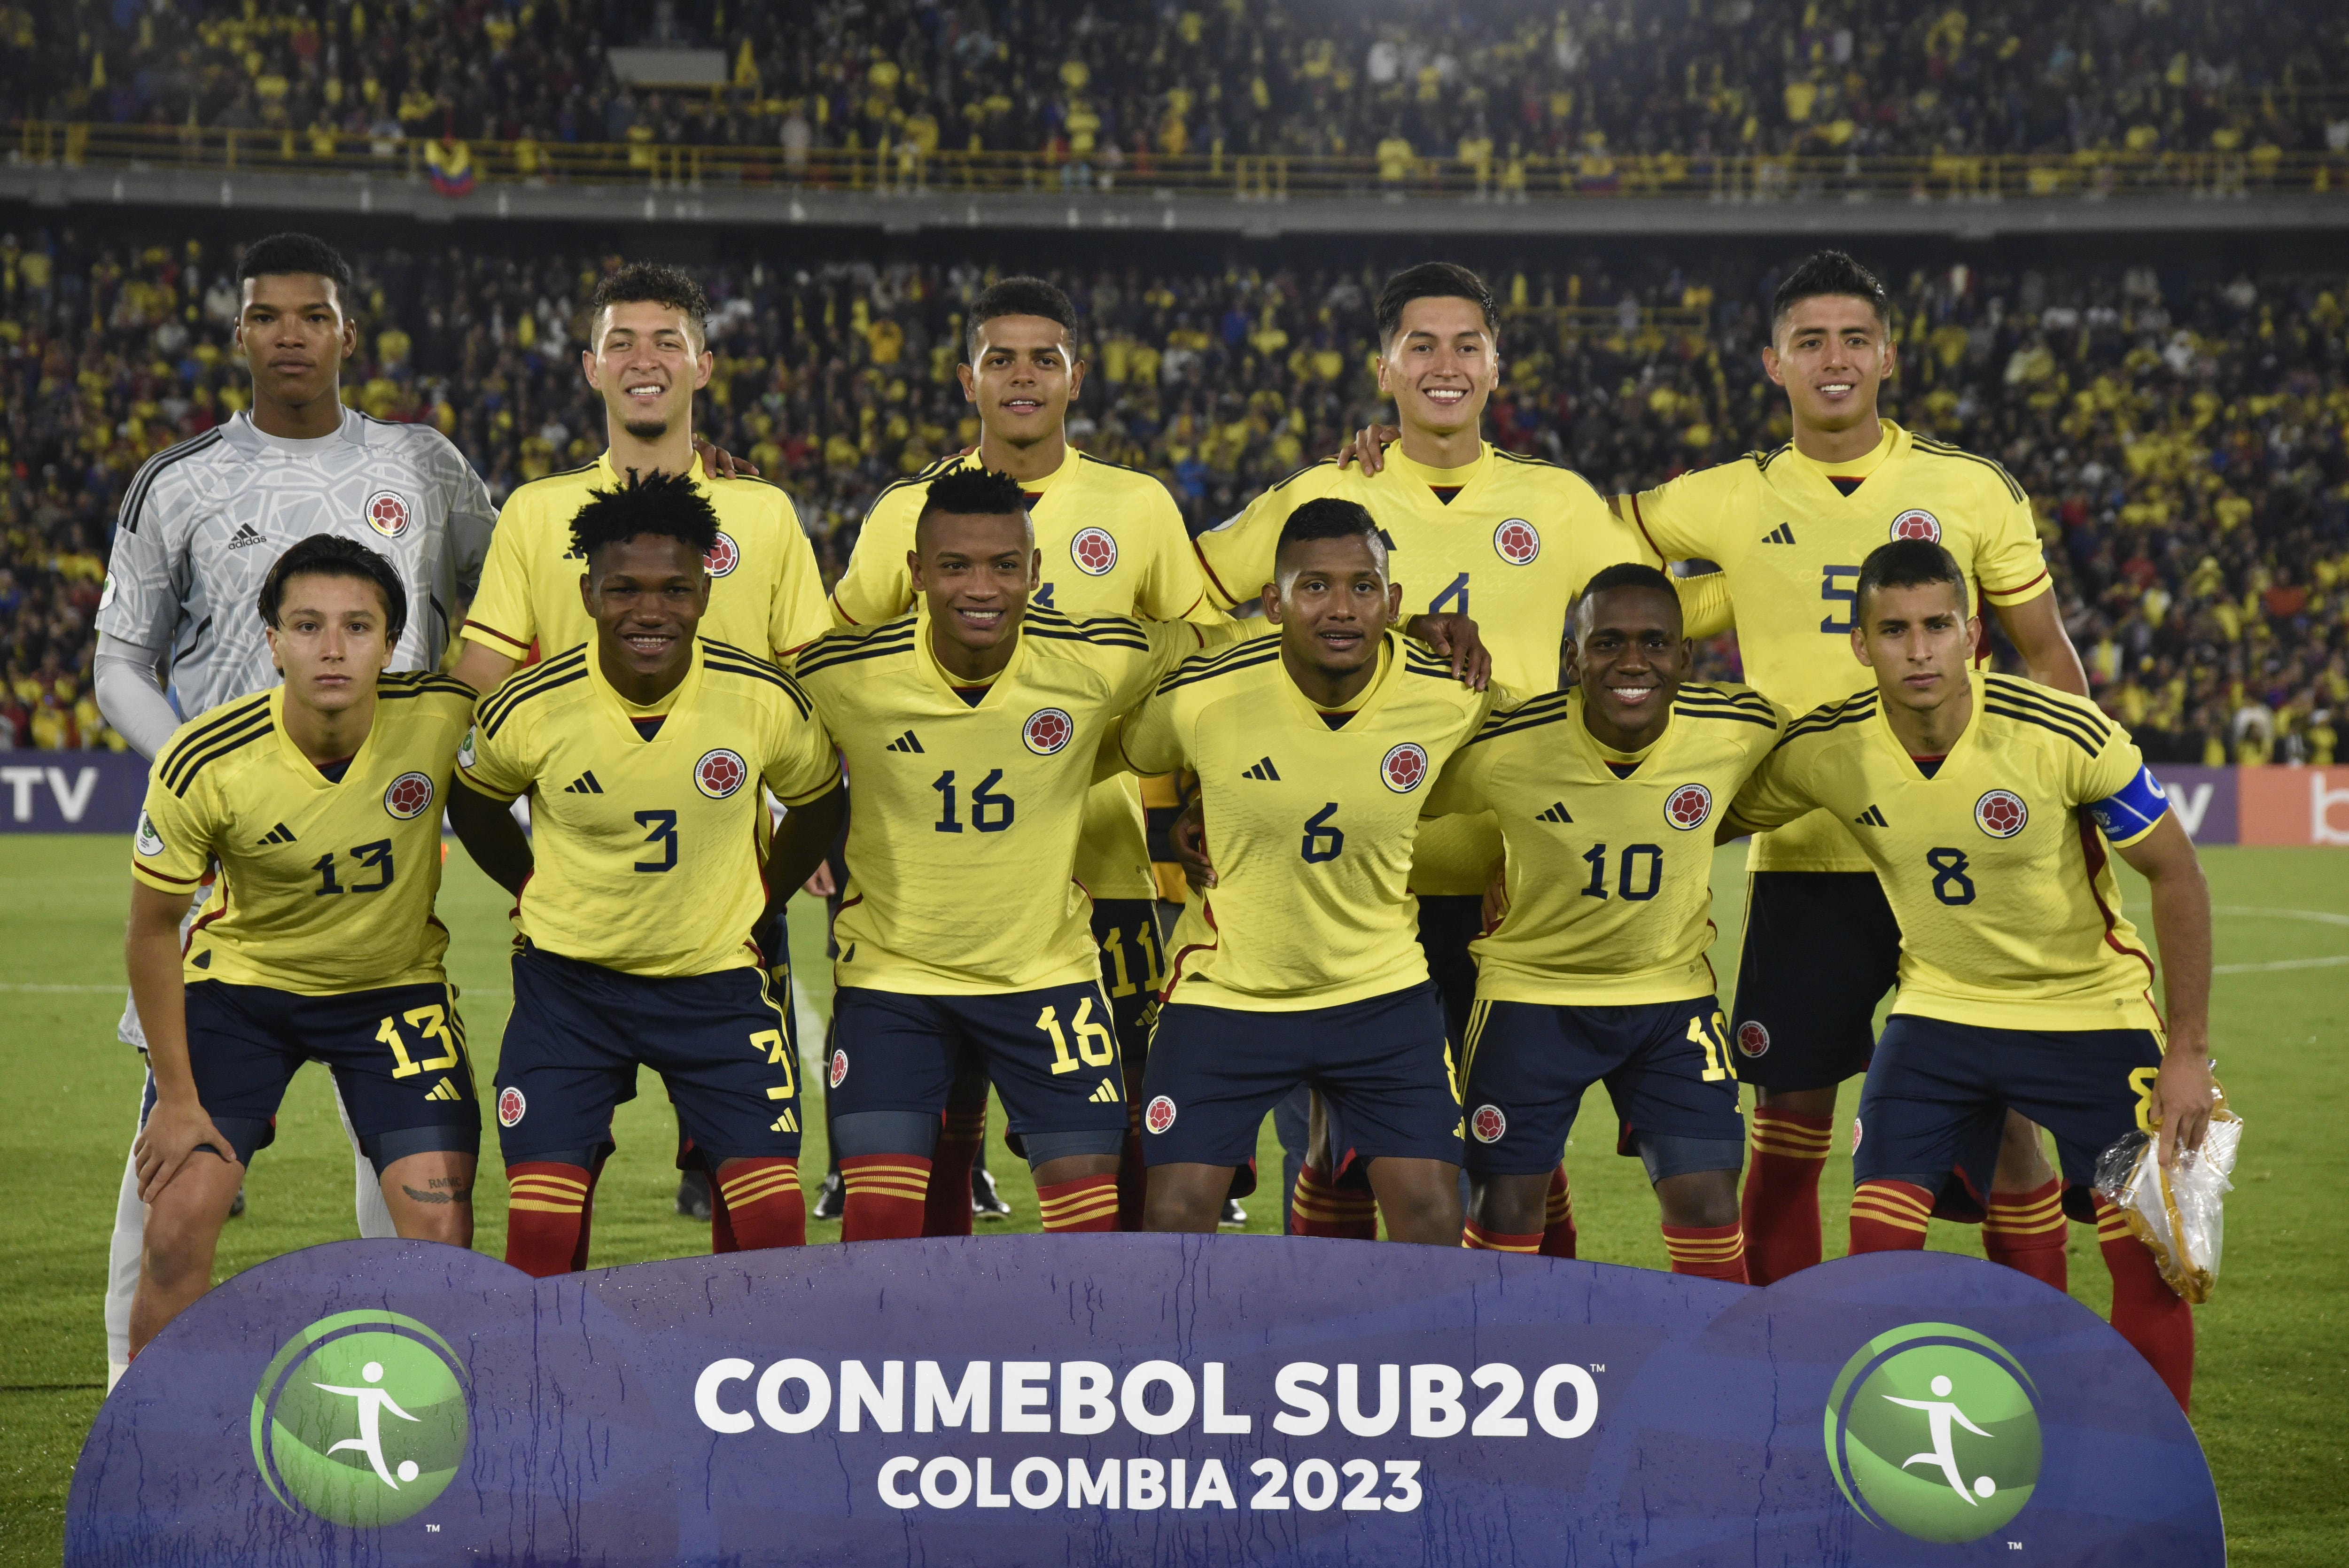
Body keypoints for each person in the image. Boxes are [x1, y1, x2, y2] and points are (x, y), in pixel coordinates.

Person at [1348, 249, 2089, 1286]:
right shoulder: (1726, 498)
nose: (1834, 360)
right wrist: (1401, 460)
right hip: (1802, 857)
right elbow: (1597, 567)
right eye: (1809, 341)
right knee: (1788, 1132)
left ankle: (2036, 1359)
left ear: (1890, 355)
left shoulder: (1969, 490)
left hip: (1952, 847)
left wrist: (2075, 813)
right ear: (1770, 361)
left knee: (2005, 1130)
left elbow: (2047, 654)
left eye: (1853, 339)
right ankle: (1779, 1368)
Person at [1193, 262, 1719, 1248]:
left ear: (1496, 364)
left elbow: (1656, 626)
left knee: (1512, 1155)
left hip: (1506, 892)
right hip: (1344, 890)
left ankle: (1509, 1365)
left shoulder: (1557, 503)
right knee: (1336, 1152)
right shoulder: (1324, 492)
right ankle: (1341, 1374)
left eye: (1466, 344)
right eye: (1421, 345)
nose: (1446, 365)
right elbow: (1183, 608)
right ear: (1383, 367)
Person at [93, 231, 495, 1387]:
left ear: (344, 333)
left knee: (415, 1182)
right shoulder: (179, 481)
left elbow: (503, 593)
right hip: (224, 862)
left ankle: (420, 1402)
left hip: (379, 852)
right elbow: (120, 658)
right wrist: (197, 771)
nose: (289, 334)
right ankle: (138, 1409)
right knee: (170, 1162)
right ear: (239, 336)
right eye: (266, 316)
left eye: (310, 315)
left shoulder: (423, 464)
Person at [1721, 539, 2211, 1409]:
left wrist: (2187, 1054)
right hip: (1939, 1013)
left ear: (1974, 634)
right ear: (1861, 643)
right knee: (1876, 1251)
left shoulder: (2065, 733)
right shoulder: (1830, 747)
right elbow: (1698, 811)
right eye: (1896, 630)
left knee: (2148, 1265)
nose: (1919, 651)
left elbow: (2176, 872)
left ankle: (2151, 1485)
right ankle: (1893, 1455)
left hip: (2088, 1014)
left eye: (1938, 627)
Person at [825, 276, 1213, 1234]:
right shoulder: (907, 511)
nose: (1024, 377)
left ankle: (1112, 1330)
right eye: (1002, 359)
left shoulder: (1137, 504)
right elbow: (838, 669)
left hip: (1104, 865)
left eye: (1045, 358)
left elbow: (1204, 656)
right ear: (970, 379)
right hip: (933, 881)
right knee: (942, 1109)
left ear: (1076, 378)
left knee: (1112, 1116)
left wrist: (1200, 796)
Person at [448, 261, 831, 1224]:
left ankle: (739, 1368)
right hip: (583, 893)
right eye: (622, 340)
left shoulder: (763, 513)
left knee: (742, 1193)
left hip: (727, 896)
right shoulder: (536, 514)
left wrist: (804, 846)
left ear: (704, 364)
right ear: (590, 367)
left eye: (667, 340)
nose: (644, 359)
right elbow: (480, 686)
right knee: (554, 1180)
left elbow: (817, 686)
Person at [792, 466, 1252, 1242]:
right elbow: (733, 707)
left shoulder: (1096, 657)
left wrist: (1417, 638)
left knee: (1089, 1239)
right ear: (915, 575)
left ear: (1036, 572)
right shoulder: (843, 672)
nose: (982, 587)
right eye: (955, 566)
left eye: (1005, 565)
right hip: (894, 981)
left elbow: (1239, 644)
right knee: (879, 1230)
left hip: (1045, 976)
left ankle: (1089, 1365)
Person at [124, 536, 479, 1353]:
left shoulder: (441, 714)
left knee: (440, 1224)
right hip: (241, 994)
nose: (332, 647)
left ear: (391, 644)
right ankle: (152, 1458)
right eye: (308, 625)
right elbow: (150, 928)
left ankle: (434, 1452)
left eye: (358, 626)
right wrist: (177, 1100)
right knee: (177, 1226)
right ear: (273, 640)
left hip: (394, 990)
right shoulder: (204, 759)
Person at [1121, 498, 1505, 1244]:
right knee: (1173, 1217)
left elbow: (1538, 759)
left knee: (1433, 1212)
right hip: (1228, 989)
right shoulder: (1207, 691)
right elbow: (1136, 753)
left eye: (1364, 587)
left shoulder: (1452, 690)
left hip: (1378, 991)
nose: (1341, 608)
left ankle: (1404, 1363)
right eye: (1314, 586)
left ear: (1394, 603)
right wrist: (1202, 802)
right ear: (1273, 602)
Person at [1425, 564, 1781, 1279]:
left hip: (1667, 996)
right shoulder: (1507, 744)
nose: (1632, 662)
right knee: (1503, 1208)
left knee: (1710, 1201)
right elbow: (1396, 793)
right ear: (1572, 657)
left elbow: (1809, 774)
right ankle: (1501, 1371)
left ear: (1686, 657)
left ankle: (1722, 1383)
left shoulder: (1744, 727)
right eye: (1608, 641)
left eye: (1654, 643)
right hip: (1530, 996)